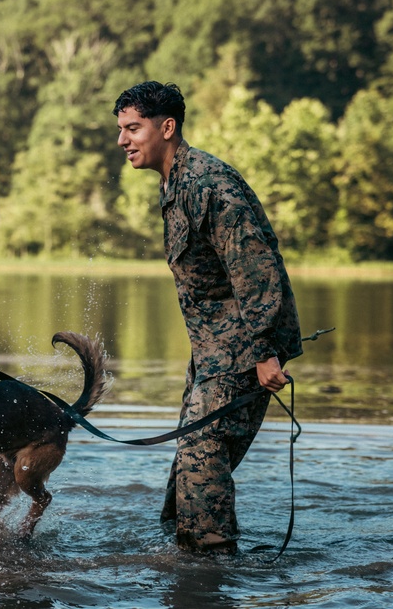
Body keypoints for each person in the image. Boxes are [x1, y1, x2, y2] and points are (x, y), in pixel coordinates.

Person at [112, 81, 302, 554]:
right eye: (121, 129)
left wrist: (264, 354)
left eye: (133, 128)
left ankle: (211, 573)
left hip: (241, 357)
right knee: (188, 481)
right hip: (211, 358)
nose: (122, 140)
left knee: (201, 468)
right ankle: (187, 567)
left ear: (167, 127)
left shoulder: (207, 183)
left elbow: (256, 269)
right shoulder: (173, 183)